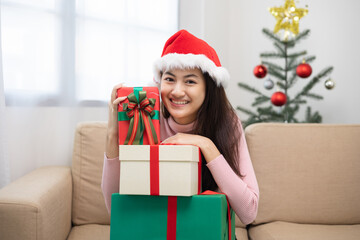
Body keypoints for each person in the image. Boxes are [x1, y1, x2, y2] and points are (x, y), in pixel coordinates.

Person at [101, 29, 259, 225]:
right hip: (155, 229)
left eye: (190, 81)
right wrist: (112, 133)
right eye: (169, 79)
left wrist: (206, 145)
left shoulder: (227, 123)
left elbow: (249, 211)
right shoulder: (146, 120)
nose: (177, 91)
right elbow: (115, 208)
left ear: (208, 88)